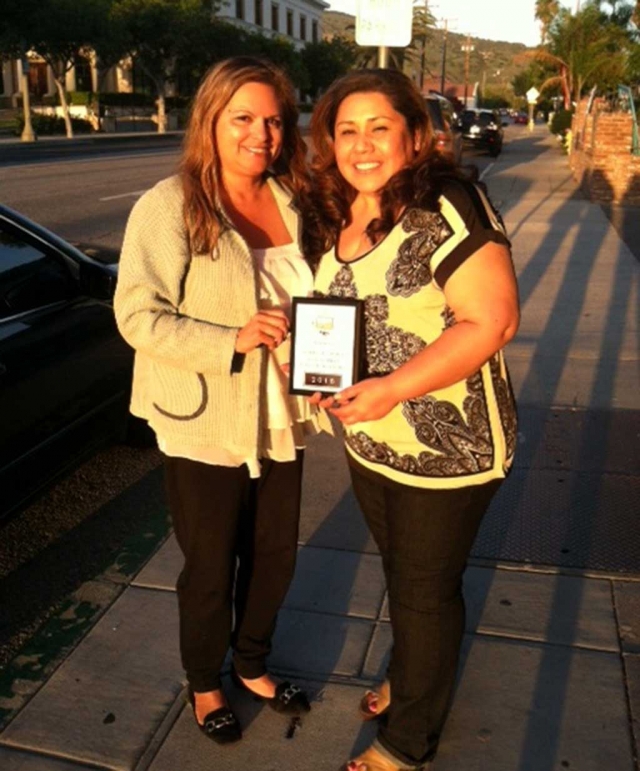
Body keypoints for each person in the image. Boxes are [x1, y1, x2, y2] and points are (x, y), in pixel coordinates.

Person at [304, 69, 520, 771]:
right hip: (371, 442)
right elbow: (348, 313)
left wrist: (393, 386)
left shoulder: (447, 201)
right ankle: (411, 671)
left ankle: (407, 740)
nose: (361, 146)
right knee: (404, 574)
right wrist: (321, 378)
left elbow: (493, 319)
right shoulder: (339, 209)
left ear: (415, 136)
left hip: (450, 449)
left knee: (426, 591)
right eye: (346, 130)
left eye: (379, 128)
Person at [114, 56, 327, 746]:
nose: (261, 134)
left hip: (282, 412)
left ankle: (253, 661)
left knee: (274, 555)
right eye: (243, 118)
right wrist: (230, 337)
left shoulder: (295, 197)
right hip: (205, 416)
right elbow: (137, 315)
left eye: (273, 119)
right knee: (210, 562)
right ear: (209, 120)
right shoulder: (169, 204)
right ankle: (205, 680)